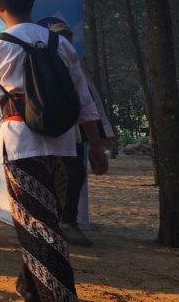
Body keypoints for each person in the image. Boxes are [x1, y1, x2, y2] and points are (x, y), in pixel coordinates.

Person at [0, 0, 108, 302]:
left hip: (21, 145)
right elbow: (85, 101)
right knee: (45, 222)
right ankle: (30, 288)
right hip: (63, 145)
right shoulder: (60, 44)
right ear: (32, 3)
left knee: (38, 226)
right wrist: (95, 146)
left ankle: (58, 296)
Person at [37, 17, 117, 247]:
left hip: (73, 129)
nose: (65, 41)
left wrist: (104, 131)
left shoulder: (75, 62)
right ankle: (48, 223)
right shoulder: (37, 60)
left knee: (75, 173)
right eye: (60, 37)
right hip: (41, 129)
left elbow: (90, 97)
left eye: (67, 37)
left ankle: (68, 221)